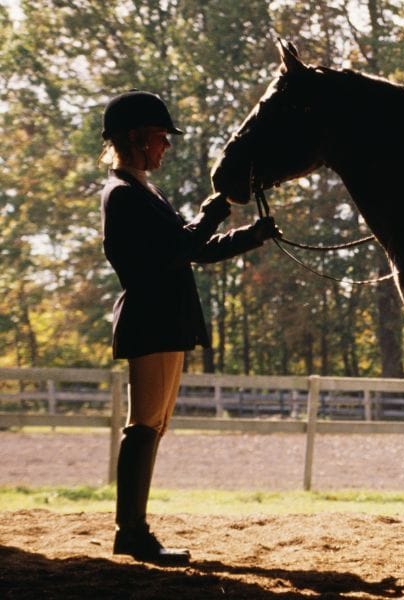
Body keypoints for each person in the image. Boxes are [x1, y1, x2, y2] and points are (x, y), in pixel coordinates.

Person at [99, 90, 279, 564]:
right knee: (144, 426)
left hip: (165, 319)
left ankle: (133, 531)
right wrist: (214, 209)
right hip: (152, 319)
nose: (166, 146)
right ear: (136, 138)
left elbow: (192, 249)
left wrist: (251, 235)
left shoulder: (142, 191)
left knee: (152, 425)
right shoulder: (123, 195)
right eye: (160, 137)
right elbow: (179, 249)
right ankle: (131, 532)